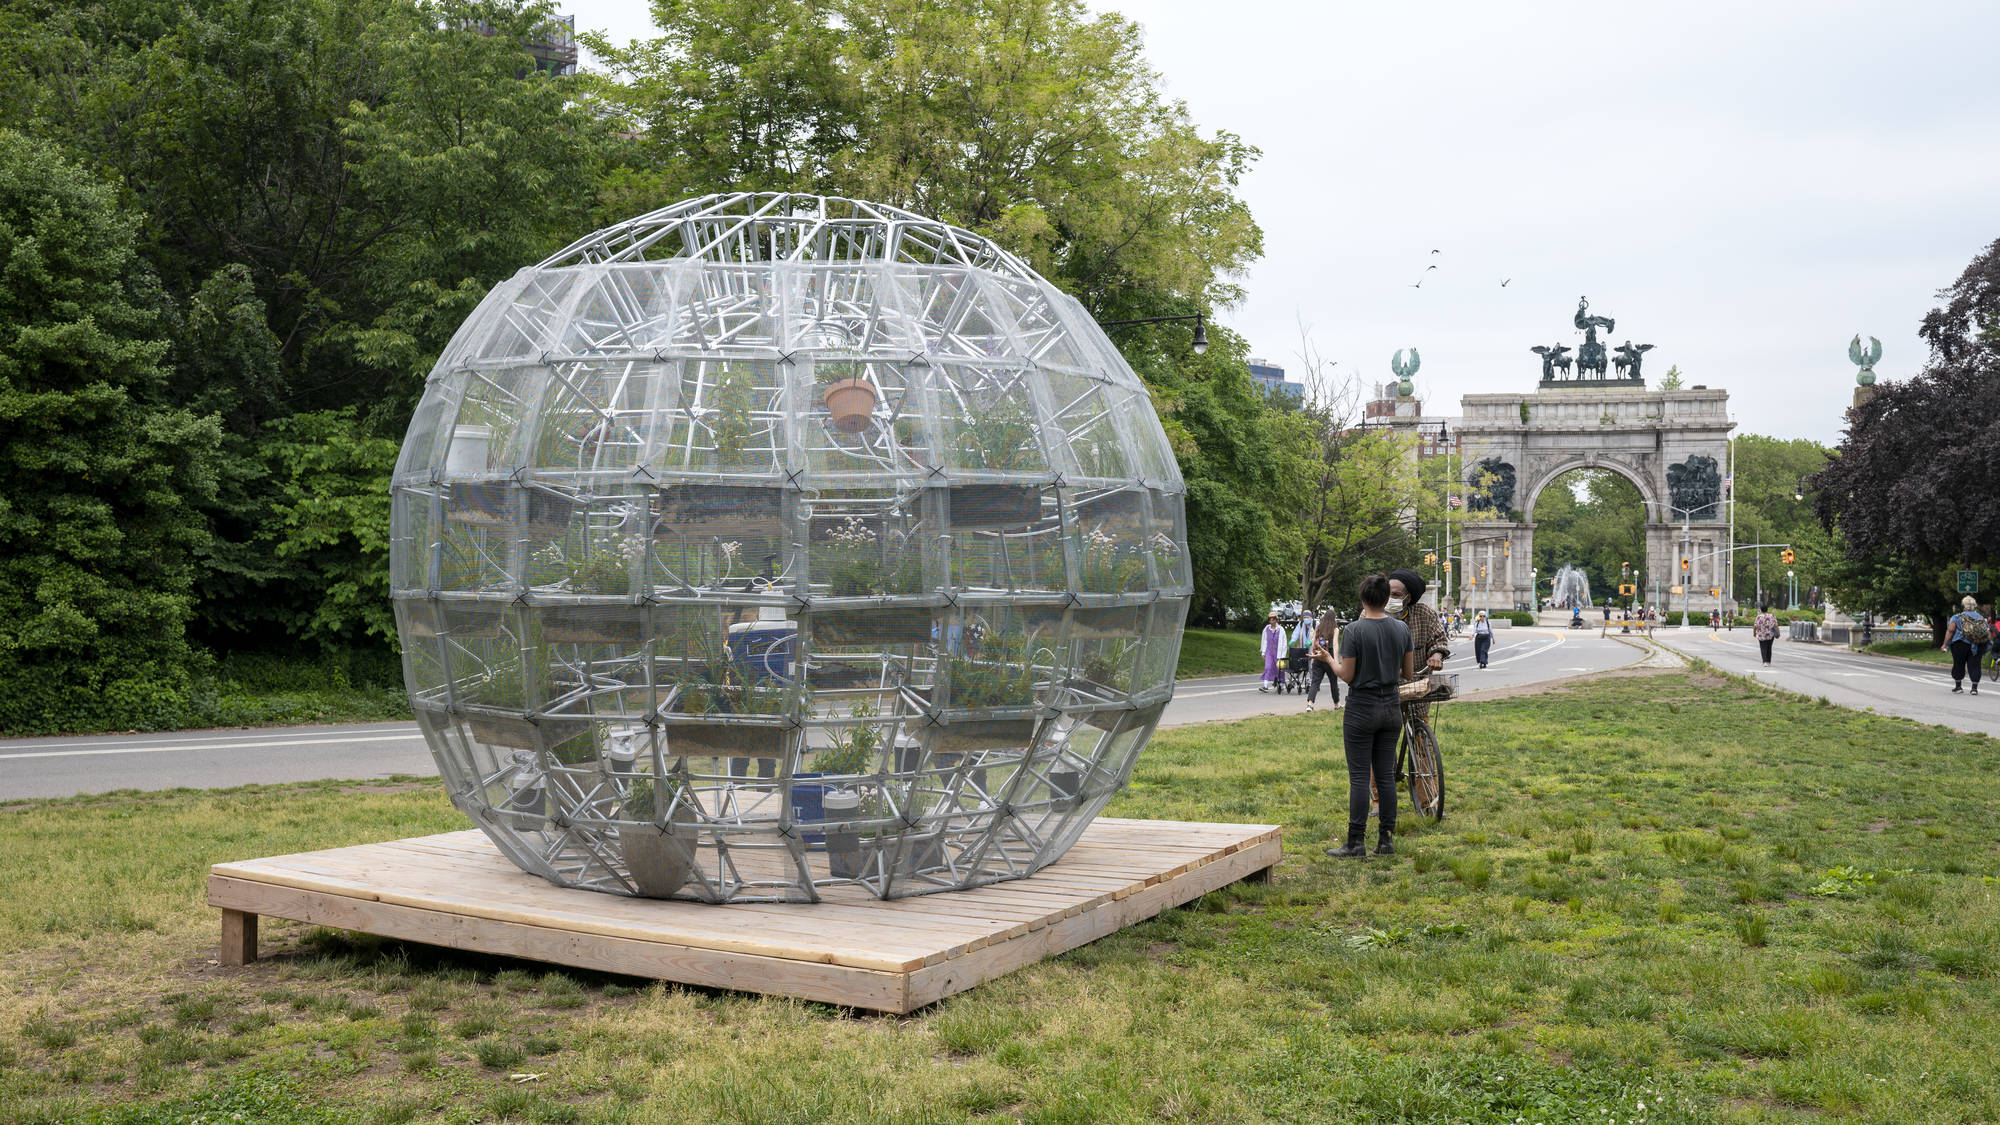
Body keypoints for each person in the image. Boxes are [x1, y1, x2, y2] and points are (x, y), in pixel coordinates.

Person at [1326, 573, 1413, 859]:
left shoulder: (1354, 630)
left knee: (1360, 777)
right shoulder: (1402, 629)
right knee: (1386, 776)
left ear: (1363, 599)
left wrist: (1329, 659)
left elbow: (1347, 676)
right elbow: (1408, 673)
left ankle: (1355, 843)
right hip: (1391, 707)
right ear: (1388, 598)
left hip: (1362, 708)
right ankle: (1386, 841)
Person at [1387, 569, 1450, 730]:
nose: (1390, 598)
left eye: (1395, 595)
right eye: (1386, 593)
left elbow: (1439, 640)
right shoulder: (1372, 613)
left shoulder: (1424, 613)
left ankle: (1422, 753)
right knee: (1386, 736)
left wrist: (1436, 655)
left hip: (1417, 685)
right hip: (1385, 688)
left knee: (1421, 732)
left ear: (1408, 597)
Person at [1943, 595, 1990, 695]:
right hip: (1977, 645)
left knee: (1959, 664)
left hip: (1959, 644)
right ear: (1974, 605)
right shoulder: (1982, 618)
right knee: (1975, 665)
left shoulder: (1957, 617)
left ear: (1963, 605)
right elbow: (1987, 632)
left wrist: (1945, 644)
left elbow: (1951, 630)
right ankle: (1974, 689)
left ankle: (1958, 687)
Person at [1305, 606, 1340, 711]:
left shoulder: (1319, 627)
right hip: (1329, 659)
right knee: (1333, 682)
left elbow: (1313, 642)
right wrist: (1336, 661)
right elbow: (1335, 645)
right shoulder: (1335, 629)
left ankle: (1310, 705)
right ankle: (1336, 705)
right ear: (1334, 618)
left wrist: (1313, 654)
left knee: (1315, 682)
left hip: (1318, 658)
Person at [1259, 613, 1284, 693]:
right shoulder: (1266, 629)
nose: (1272, 620)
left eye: (1273, 619)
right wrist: (1263, 652)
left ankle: (1281, 684)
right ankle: (1265, 686)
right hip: (1269, 651)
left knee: (1279, 669)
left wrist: (1282, 655)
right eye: (1270, 619)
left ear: (1276, 619)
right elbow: (1264, 640)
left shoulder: (1281, 629)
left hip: (1278, 652)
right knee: (1268, 667)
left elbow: (1284, 643)